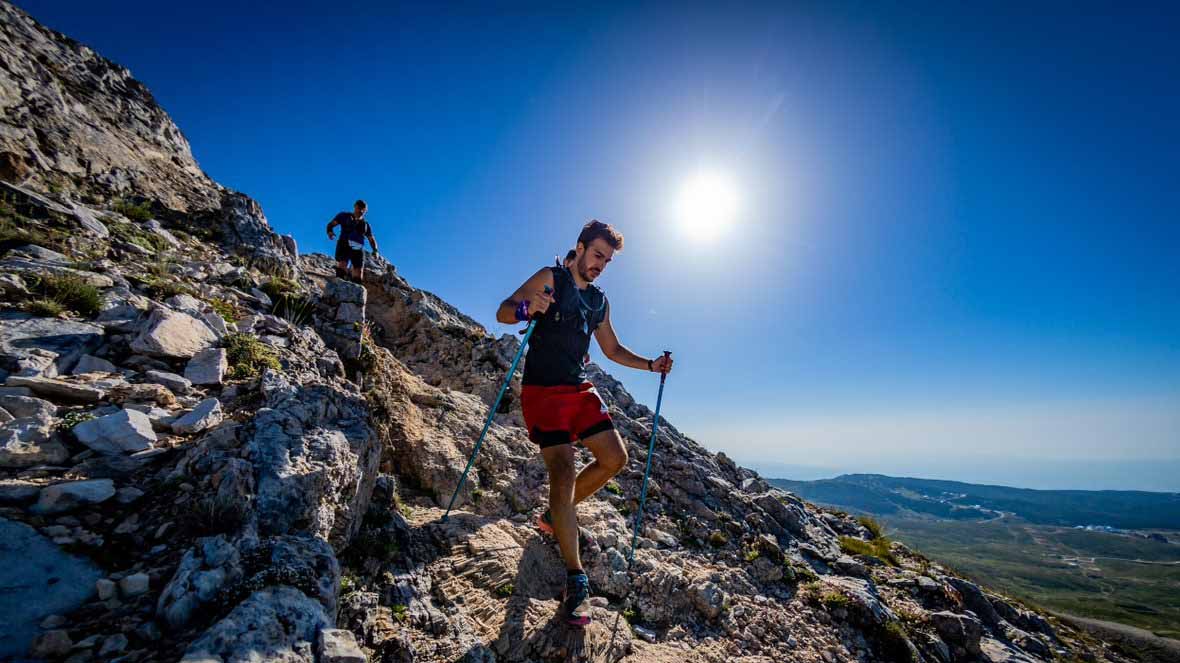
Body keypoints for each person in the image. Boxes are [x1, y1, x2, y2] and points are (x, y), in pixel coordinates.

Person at [496, 220, 674, 626]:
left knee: (616, 458)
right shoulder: (551, 278)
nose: (601, 265)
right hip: (542, 391)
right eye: (597, 256)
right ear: (579, 247)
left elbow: (610, 349)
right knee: (563, 471)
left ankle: (556, 515)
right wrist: (528, 308)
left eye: (607, 261)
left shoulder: (599, 302)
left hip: (578, 389)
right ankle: (576, 579)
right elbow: (503, 311)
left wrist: (651, 365)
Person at [326, 199, 379, 282]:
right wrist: (329, 232)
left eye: (363, 210)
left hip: (358, 247)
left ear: (365, 211)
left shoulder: (365, 224)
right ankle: (339, 287)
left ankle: (355, 291)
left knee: (358, 271)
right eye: (359, 208)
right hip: (344, 243)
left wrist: (375, 250)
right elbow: (331, 224)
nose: (360, 211)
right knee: (343, 264)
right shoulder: (344, 216)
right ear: (355, 207)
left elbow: (371, 239)